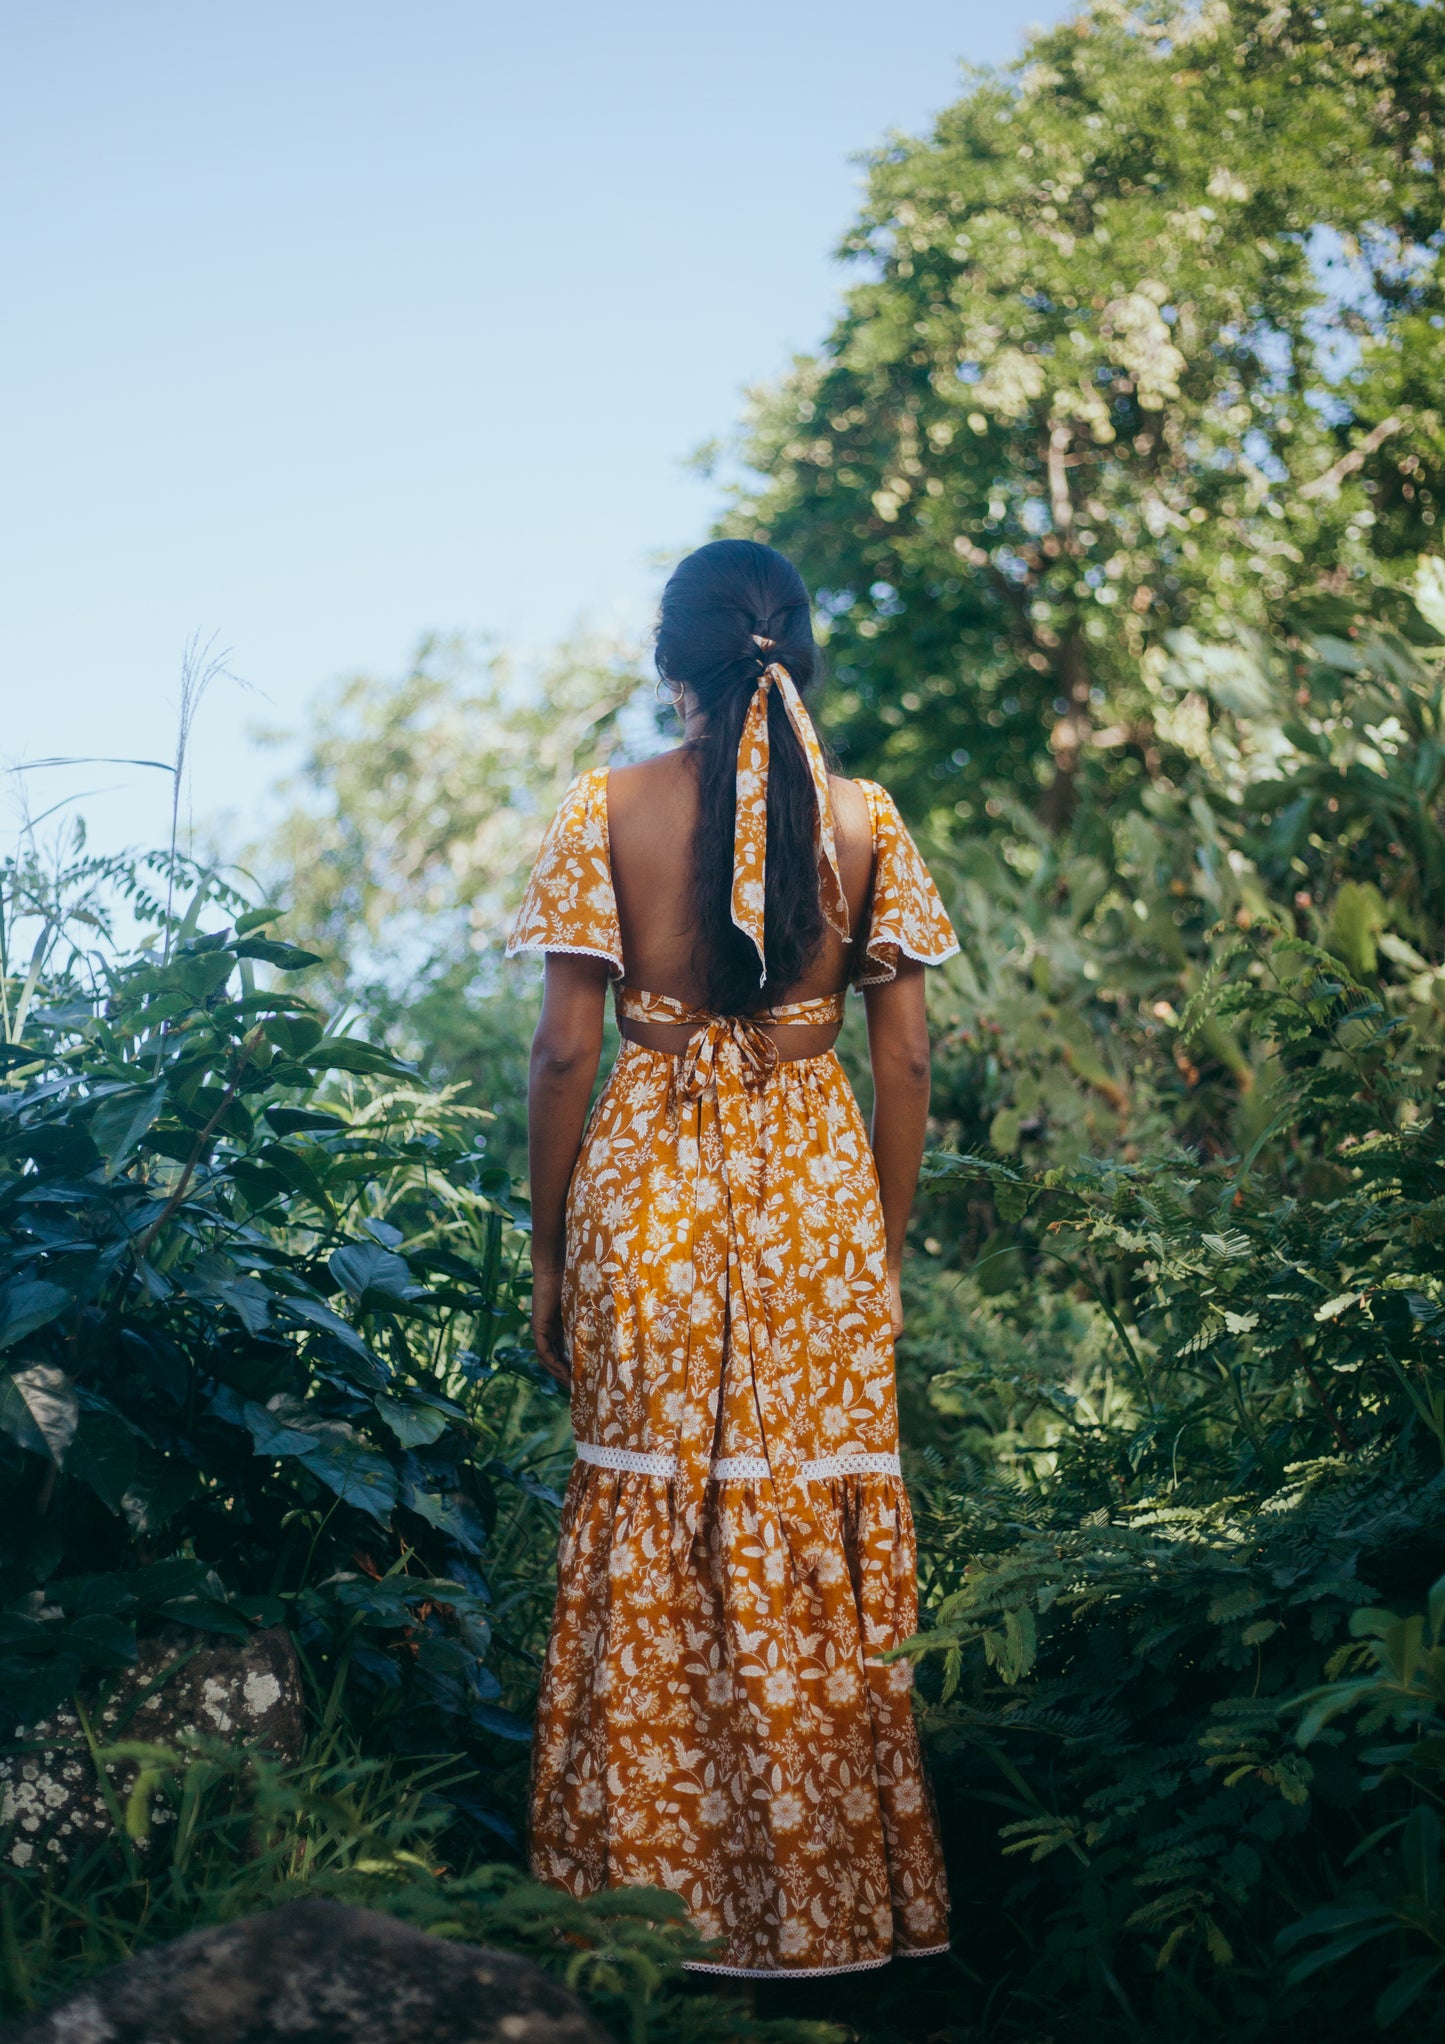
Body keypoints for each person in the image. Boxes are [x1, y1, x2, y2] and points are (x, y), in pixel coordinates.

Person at [507, 538, 957, 1979]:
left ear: (670, 661)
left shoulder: (607, 808)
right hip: (812, 1204)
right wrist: (873, 1254)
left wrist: (549, 1257)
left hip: (647, 1198)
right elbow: (906, 1060)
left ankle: (642, 1925)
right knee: (806, 1532)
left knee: (649, 1531)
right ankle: (820, 1920)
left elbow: (568, 1043)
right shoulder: (866, 819)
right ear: (799, 651)